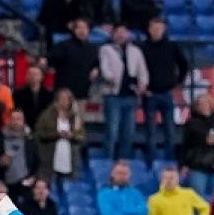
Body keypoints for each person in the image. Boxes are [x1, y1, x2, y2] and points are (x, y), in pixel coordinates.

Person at [140, 18, 188, 164]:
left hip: (167, 93)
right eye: (154, 28)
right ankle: (151, 162)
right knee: (151, 131)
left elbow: (183, 64)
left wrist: (178, 81)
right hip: (150, 94)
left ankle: (170, 161)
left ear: (164, 29)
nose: (156, 31)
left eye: (159, 28)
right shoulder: (142, 47)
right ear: (149, 29)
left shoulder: (172, 46)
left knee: (170, 130)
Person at [98, 24, 149, 162]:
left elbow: (142, 70)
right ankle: (107, 160)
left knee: (128, 132)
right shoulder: (105, 49)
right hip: (113, 95)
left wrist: (142, 85)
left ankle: (124, 162)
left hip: (131, 97)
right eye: (118, 32)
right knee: (112, 131)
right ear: (113, 34)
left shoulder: (136, 51)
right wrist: (112, 78)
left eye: (123, 32)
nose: (121, 35)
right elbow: (105, 68)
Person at [35, 89, 86, 185]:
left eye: (67, 99)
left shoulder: (75, 117)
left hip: (71, 159)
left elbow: (81, 136)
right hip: (49, 159)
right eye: (62, 99)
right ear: (56, 100)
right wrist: (56, 134)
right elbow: (39, 133)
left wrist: (72, 135)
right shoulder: (46, 115)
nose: (64, 101)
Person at [182, 93, 214, 200]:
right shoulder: (192, 123)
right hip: (197, 166)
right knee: (197, 200)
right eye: (200, 104)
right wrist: (184, 164)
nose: (203, 105)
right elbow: (186, 145)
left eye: (205, 103)